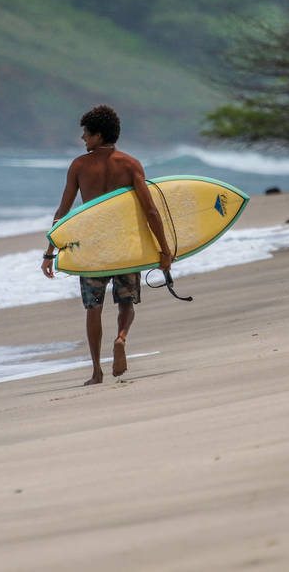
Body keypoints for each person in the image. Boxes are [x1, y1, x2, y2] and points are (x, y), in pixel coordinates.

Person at [41, 105, 173, 385]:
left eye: (86, 134)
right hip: (124, 246)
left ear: (99, 135)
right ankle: (122, 338)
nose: (83, 139)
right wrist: (164, 250)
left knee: (94, 309)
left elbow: (62, 213)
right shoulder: (130, 164)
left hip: (93, 250)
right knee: (126, 301)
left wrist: (50, 252)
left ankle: (96, 372)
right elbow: (151, 211)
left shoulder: (79, 165)